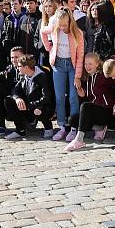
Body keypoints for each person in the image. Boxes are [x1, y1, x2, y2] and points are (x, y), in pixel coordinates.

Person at [41, 8, 85, 141]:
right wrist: (49, 48)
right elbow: (43, 31)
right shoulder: (55, 28)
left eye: (64, 25)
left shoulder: (78, 33)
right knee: (59, 97)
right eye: (60, 25)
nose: (62, 27)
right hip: (58, 65)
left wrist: (77, 76)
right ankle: (61, 127)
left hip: (72, 66)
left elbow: (80, 56)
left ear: (70, 21)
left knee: (73, 97)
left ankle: (73, 128)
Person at [64, 53, 115, 150]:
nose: (87, 66)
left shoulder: (104, 75)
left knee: (85, 106)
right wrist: (80, 90)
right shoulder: (87, 78)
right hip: (95, 112)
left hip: (107, 111)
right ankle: (99, 127)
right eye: (85, 64)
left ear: (97, 64)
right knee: (72, 120)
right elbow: (87, 98)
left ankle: (79, 140)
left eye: (90, 64)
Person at [4, 54, 54, 139]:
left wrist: (30, 105)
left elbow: (47, 98)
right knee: (8, 100)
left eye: (19, 66)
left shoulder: (42, 76)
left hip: (41, 107)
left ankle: (48, 127)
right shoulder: (23, 75)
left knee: (38, 110)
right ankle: (20, 130)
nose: (17, 67)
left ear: (26, 67)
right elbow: (15, 90)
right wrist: (17, 99)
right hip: (27, 107)